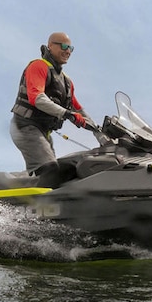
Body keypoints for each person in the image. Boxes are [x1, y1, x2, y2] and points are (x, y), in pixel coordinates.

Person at [9, 32, 93, 187]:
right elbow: (37, 98)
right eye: (64, 46)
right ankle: (22, 205)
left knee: (65, 171)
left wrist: (100, 132)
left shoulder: (67, 81)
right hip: (25, 127)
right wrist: (67, 114)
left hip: (43, 132)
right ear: (50, 46)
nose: (68, 51)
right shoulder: (38, 66)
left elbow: (79, 110)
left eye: (71, 48)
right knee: (50, 172)